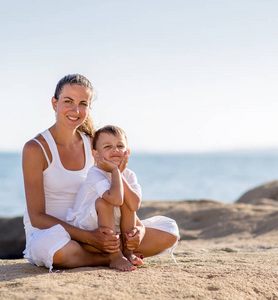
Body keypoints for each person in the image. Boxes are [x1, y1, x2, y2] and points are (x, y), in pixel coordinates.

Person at [22, 74, 179, 272]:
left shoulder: (95, 144)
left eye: (83, 103)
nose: (75, 110)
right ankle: (109, 257)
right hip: (55, 234)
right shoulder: (35, 148)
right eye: (68, 101)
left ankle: (109, 251)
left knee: (170, 232)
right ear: (55, 103)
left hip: (98, 226)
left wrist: (138, 229)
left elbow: (119, 194)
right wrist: (90, 237)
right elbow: (37, 217)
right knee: (57, 251)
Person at [66, 125, 144, 271]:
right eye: (108, 146)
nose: (115, 150)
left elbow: (134, 205)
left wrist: (120, 174)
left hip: (108, 224)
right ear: (96, 155)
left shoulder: (129, 175)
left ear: (127, 152)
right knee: (105, 201)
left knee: (128, 200)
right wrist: (115, 171)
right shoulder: (95, 173)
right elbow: (116, 199)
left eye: (120, 146)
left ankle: (128, 252)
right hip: (84, 224)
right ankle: (114, 256)